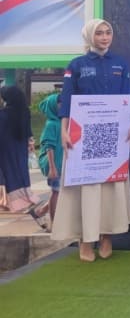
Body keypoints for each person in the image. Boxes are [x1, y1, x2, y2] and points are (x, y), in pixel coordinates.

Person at [51, 19, 130, 262]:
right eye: (99, 33)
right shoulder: (77, 65)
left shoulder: (120, 63)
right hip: (82, 134)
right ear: (89, 36)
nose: (104, 37)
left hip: (113, 133)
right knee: (86, 187)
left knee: (110, 185)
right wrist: (64, 130)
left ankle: (106, 236)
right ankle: (86, 240)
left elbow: (127, 94)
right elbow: (67, 98)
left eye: (108, 32)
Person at [0, 85, 38, 212]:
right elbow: (28, 131)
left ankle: (6, 200)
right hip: (20, 146)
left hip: (5, 148)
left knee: (6, 172)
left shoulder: (3, 114)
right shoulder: (24, 112)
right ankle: (24, 197)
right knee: (20, 171)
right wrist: (30, 142)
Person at [37, 93, 65, 225]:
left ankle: (40, 211)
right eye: (59, 103)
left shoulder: (62, 122)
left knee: (62, 192)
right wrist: (52, 168)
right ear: (53, 106)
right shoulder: (51, 125)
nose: (62, 105)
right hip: (54, 165)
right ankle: (53, 224)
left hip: (62, 164)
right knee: (56, 192)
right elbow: (49, 147)